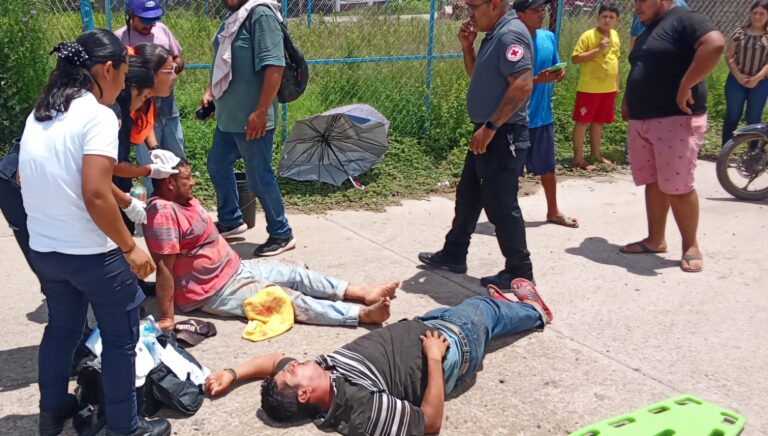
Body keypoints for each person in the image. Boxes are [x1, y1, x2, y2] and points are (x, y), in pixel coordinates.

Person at [17, 29, 170, 436]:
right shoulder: (99, 115)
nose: (122, 83)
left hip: (46, 252)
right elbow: (95, 192)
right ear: (107, 69)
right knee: (122, 337)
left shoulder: (41, 113)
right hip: (91, 255)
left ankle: (52, 412)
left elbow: (26, 176)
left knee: (62, 328)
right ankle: (126, 427)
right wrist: (128, 246)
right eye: (122, 73)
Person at [203, 279, 552, 435]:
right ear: (305, 394)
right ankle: (535, 311)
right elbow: (429, 424)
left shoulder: (320, 376)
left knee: (472, 310)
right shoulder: (358, 409)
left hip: (425, 325)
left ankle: (507, 309)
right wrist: (432, 358)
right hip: (450, 345)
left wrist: (232, 373)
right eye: (291, 373)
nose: (292, 363)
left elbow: (273, 359)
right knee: (482, 310)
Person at [142, 157, 399, 330]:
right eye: (188, 178)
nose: (193, 181)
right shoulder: (163, 213)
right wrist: (167, 317)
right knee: (284, 298)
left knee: (295, 273)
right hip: (213, 290)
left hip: (235, 269)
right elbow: (164, 268)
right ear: (170, 182)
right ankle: (358, 315)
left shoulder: (182, 199)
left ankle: (361, 292)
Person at [418, 0, 536, 290]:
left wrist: (492, 126)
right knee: (468, 194)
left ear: (494, 4)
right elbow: (478, 77)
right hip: (487, 131)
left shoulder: (510, 35)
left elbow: (522, 84)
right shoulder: (493, 35)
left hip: (502, 133)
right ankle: (454, 252)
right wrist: (467, 46)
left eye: (473, 6)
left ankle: (520, 270)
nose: (469, 12)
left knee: (500, 204)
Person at [621, 0, 725, 273]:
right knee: (653, 181)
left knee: (678, 186)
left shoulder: (684, 19)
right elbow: (640, 67)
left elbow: (714, 44)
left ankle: (690, 245)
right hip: (643, 118)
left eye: (642, 1)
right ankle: (655, 239)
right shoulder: (649, 29)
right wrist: (627, 100)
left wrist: (686, 84)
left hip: (675, 118)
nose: (636, 6)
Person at [200, 0, 295, 255]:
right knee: (217, 164)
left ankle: (281, 233)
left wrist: (262, 110)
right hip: (228, 118)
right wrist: (211, 91)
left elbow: (275, 66)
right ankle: (231, 220)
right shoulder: (233, 18)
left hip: (253, 119)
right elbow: (223, 61)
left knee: (259, 178)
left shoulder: (260, 15)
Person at [515, 0, 578, 228]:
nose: (541, 14)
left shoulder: (547, 37)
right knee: (511, 172)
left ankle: (553, 211)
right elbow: (506, 83)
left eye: (543, 10)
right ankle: (507, 217)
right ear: (520, 15)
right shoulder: (512, 41)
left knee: (547, 168)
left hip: (542, 116)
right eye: (535, 11)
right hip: (516, 118)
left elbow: (554, 66)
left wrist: (558, 73)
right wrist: (537, 80)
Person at [114, 0, 186, 196]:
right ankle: (158, 208)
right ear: (130, 15)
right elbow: (112, 167)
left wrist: (169, 70)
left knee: (176, 158)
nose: (149, 25)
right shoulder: (119, 39)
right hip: (135, 110)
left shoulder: (162, 30)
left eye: (153, 20)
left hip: (167, 107)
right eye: (144, 20)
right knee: (150, 167)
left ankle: (178, 206)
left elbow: (180, 58)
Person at [111, 43, 180, 237]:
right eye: (169, 71)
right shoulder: (115, 113)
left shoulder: (139, 97)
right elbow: (107, 169)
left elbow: (145, 121)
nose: (174, 77)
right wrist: (148, 171)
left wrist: (155, 148)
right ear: (149, 74)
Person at [570, 3, 621, 171]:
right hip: (589, 88)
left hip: (608, 88)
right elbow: (576, 58)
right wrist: (598, 50)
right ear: (597, 18)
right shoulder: (588, 36)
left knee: (599, 122)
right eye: (604, 16)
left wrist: (617, 84)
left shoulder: (615, 35)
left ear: (616, 20)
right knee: (583, 122)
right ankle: (578, 159)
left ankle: (596, 154)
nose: (607, 20)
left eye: (611, 17)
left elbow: (616, 60)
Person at [722, 0, 768, 146]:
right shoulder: (739, 32)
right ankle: (725, 151)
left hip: (760, 83)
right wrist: (739, 76)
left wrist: (757, 78)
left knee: (754, 118)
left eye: (762, 13)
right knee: (732, 116)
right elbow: (729, 56)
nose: (757, 16)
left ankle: (752, 156)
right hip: (736, 81)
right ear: (750, 13)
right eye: (755, 13)